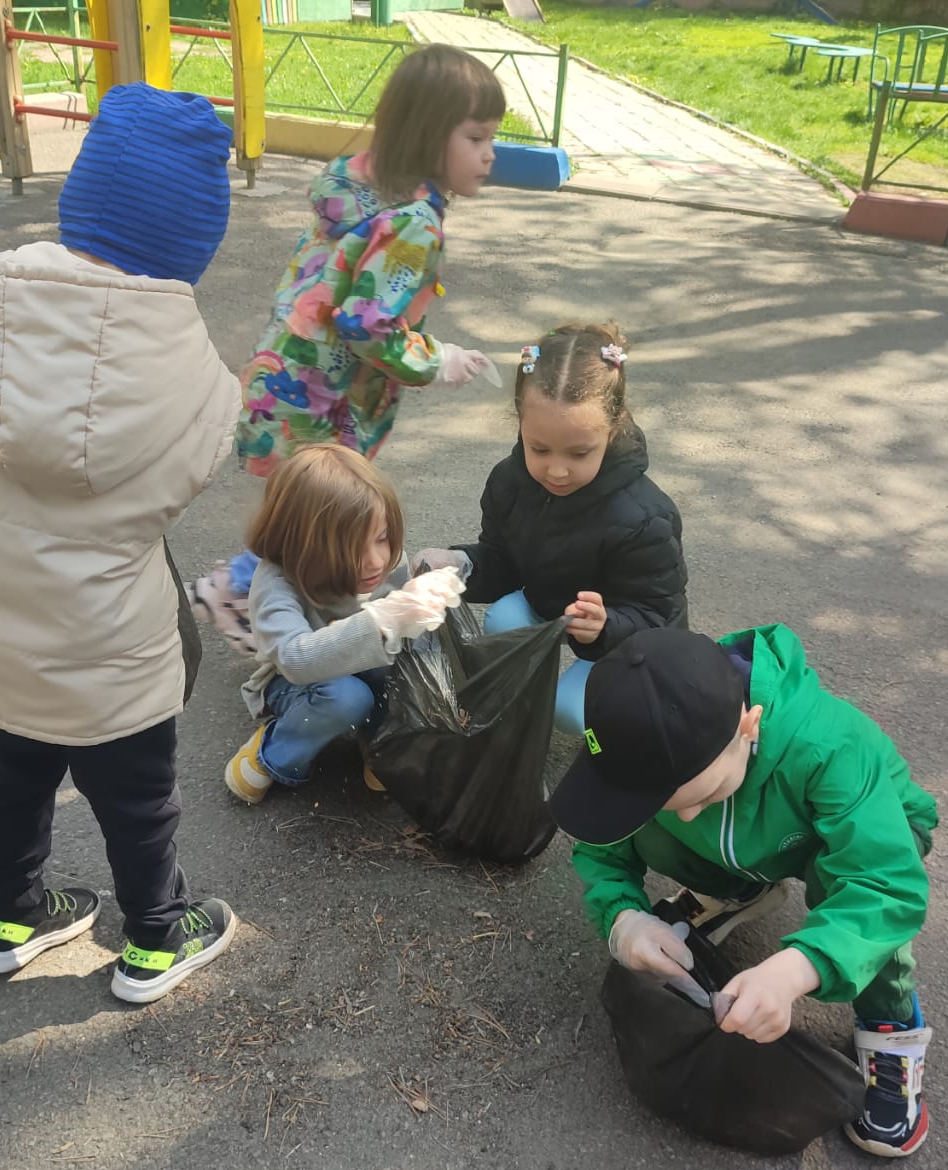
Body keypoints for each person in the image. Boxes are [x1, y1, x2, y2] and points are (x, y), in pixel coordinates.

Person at [0, 83, 243, 1005]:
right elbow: (187, 476)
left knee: (5, 776)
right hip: (104, 646)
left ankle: (11, 915)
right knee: (139, 798)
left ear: (85, 195)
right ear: (193, 241)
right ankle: (155, 937)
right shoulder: (194, 367)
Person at [549, 626, 939, 1158]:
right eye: (668, 799)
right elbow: (601, 842)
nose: (686, 814)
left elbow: (884, 884)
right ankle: (737, 887)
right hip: (754, 837)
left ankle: (890, 1018)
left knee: (841, 883)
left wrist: (795, 968)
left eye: (699, 794)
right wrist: (623, 918)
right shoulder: (647, 749)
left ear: (748, 725)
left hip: (869, 836)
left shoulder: (828, 746)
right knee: (655, 824)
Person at [191, 43, 504, 654]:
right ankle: (240, 598)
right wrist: (438, 361)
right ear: (429, 135)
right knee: (319, 514)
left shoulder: (362, 191)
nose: (489, 153)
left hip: (284, 383)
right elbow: (367, 323)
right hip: (322, 404)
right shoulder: (414, 220)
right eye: (475, 137)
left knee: (306, 512)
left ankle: (251, 599)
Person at [416, 323, 688, 737]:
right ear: (520, 425)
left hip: (623, 637)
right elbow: (504, 561)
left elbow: (660, 617)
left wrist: (606, 626)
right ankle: (521, 717)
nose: (557, 471)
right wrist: (461, 564)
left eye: (579, 453)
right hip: (552, 604)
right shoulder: (510, 482)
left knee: (571, 712)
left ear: (612, 431)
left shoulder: (644, 518)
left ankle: (614, 738)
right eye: (539, 449)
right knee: (505, 618)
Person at [224, 444, 465, 804]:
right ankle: (273, 753)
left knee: (411, 650)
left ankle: (379, 742)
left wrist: (450, 566)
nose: (375, 561)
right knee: (347, 698)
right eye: (352, 548)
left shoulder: (376, 561)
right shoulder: (277, 584)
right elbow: (296, 660)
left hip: (358, 664)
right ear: (303, 543)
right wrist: (386, 617)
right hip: (295, 684)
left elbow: (409, 607)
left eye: (382, 537)